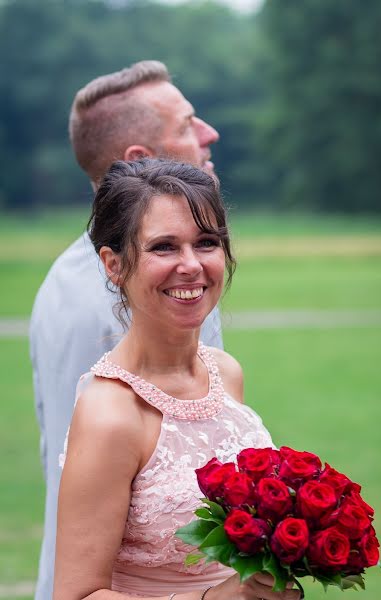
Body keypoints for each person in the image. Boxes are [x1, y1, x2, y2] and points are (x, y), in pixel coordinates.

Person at [54, 158, 299, 600]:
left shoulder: (226, 372)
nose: (191, 266)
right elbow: (76, 594)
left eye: (206, 242)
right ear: (114, 264)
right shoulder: (110, 413)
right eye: (164, 247)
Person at [30, 61, 223, 600]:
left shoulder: (154, 278)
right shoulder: (107, 304)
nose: (209, 133)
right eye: (186, 124)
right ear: (141, 161)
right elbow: (94, 512)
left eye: (207, 244)